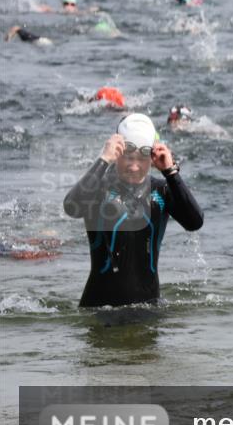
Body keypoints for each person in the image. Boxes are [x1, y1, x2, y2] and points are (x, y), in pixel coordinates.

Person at [63, 114, 203, 307]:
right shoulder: (97, 189)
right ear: (117, 152)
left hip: (150, 310)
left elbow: (194, 222)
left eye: (141, 159)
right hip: (100, 312)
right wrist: (103, 159)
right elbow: (71, 207)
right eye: (128, 157)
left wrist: (170, 171)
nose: (134, 166)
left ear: (152, 158)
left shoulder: (161, 191)